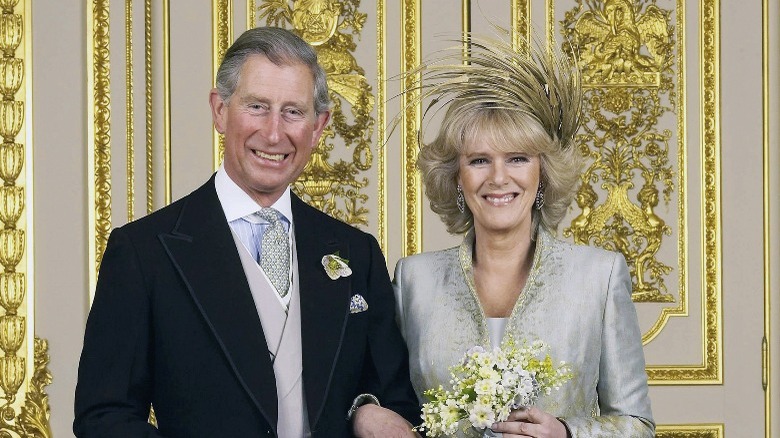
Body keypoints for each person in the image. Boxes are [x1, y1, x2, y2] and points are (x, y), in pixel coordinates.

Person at [74, 27, 420, 438]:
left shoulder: (356, 253)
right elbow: (104, 417)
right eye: (257, 106)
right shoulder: (143, 252)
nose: (274, 133)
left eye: (293, 111)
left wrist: (365, 411)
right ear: (220, 111)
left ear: (319, 125)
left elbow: (397, 402)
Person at [392, 34, 655, 437]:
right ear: (457, 178)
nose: (498, 178)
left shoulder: (598, 276)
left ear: (542, 172)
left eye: (517, 158)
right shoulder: (414, 281)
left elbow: (637, 425)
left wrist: (567, 433)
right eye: (479, 160)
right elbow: (394, 411)